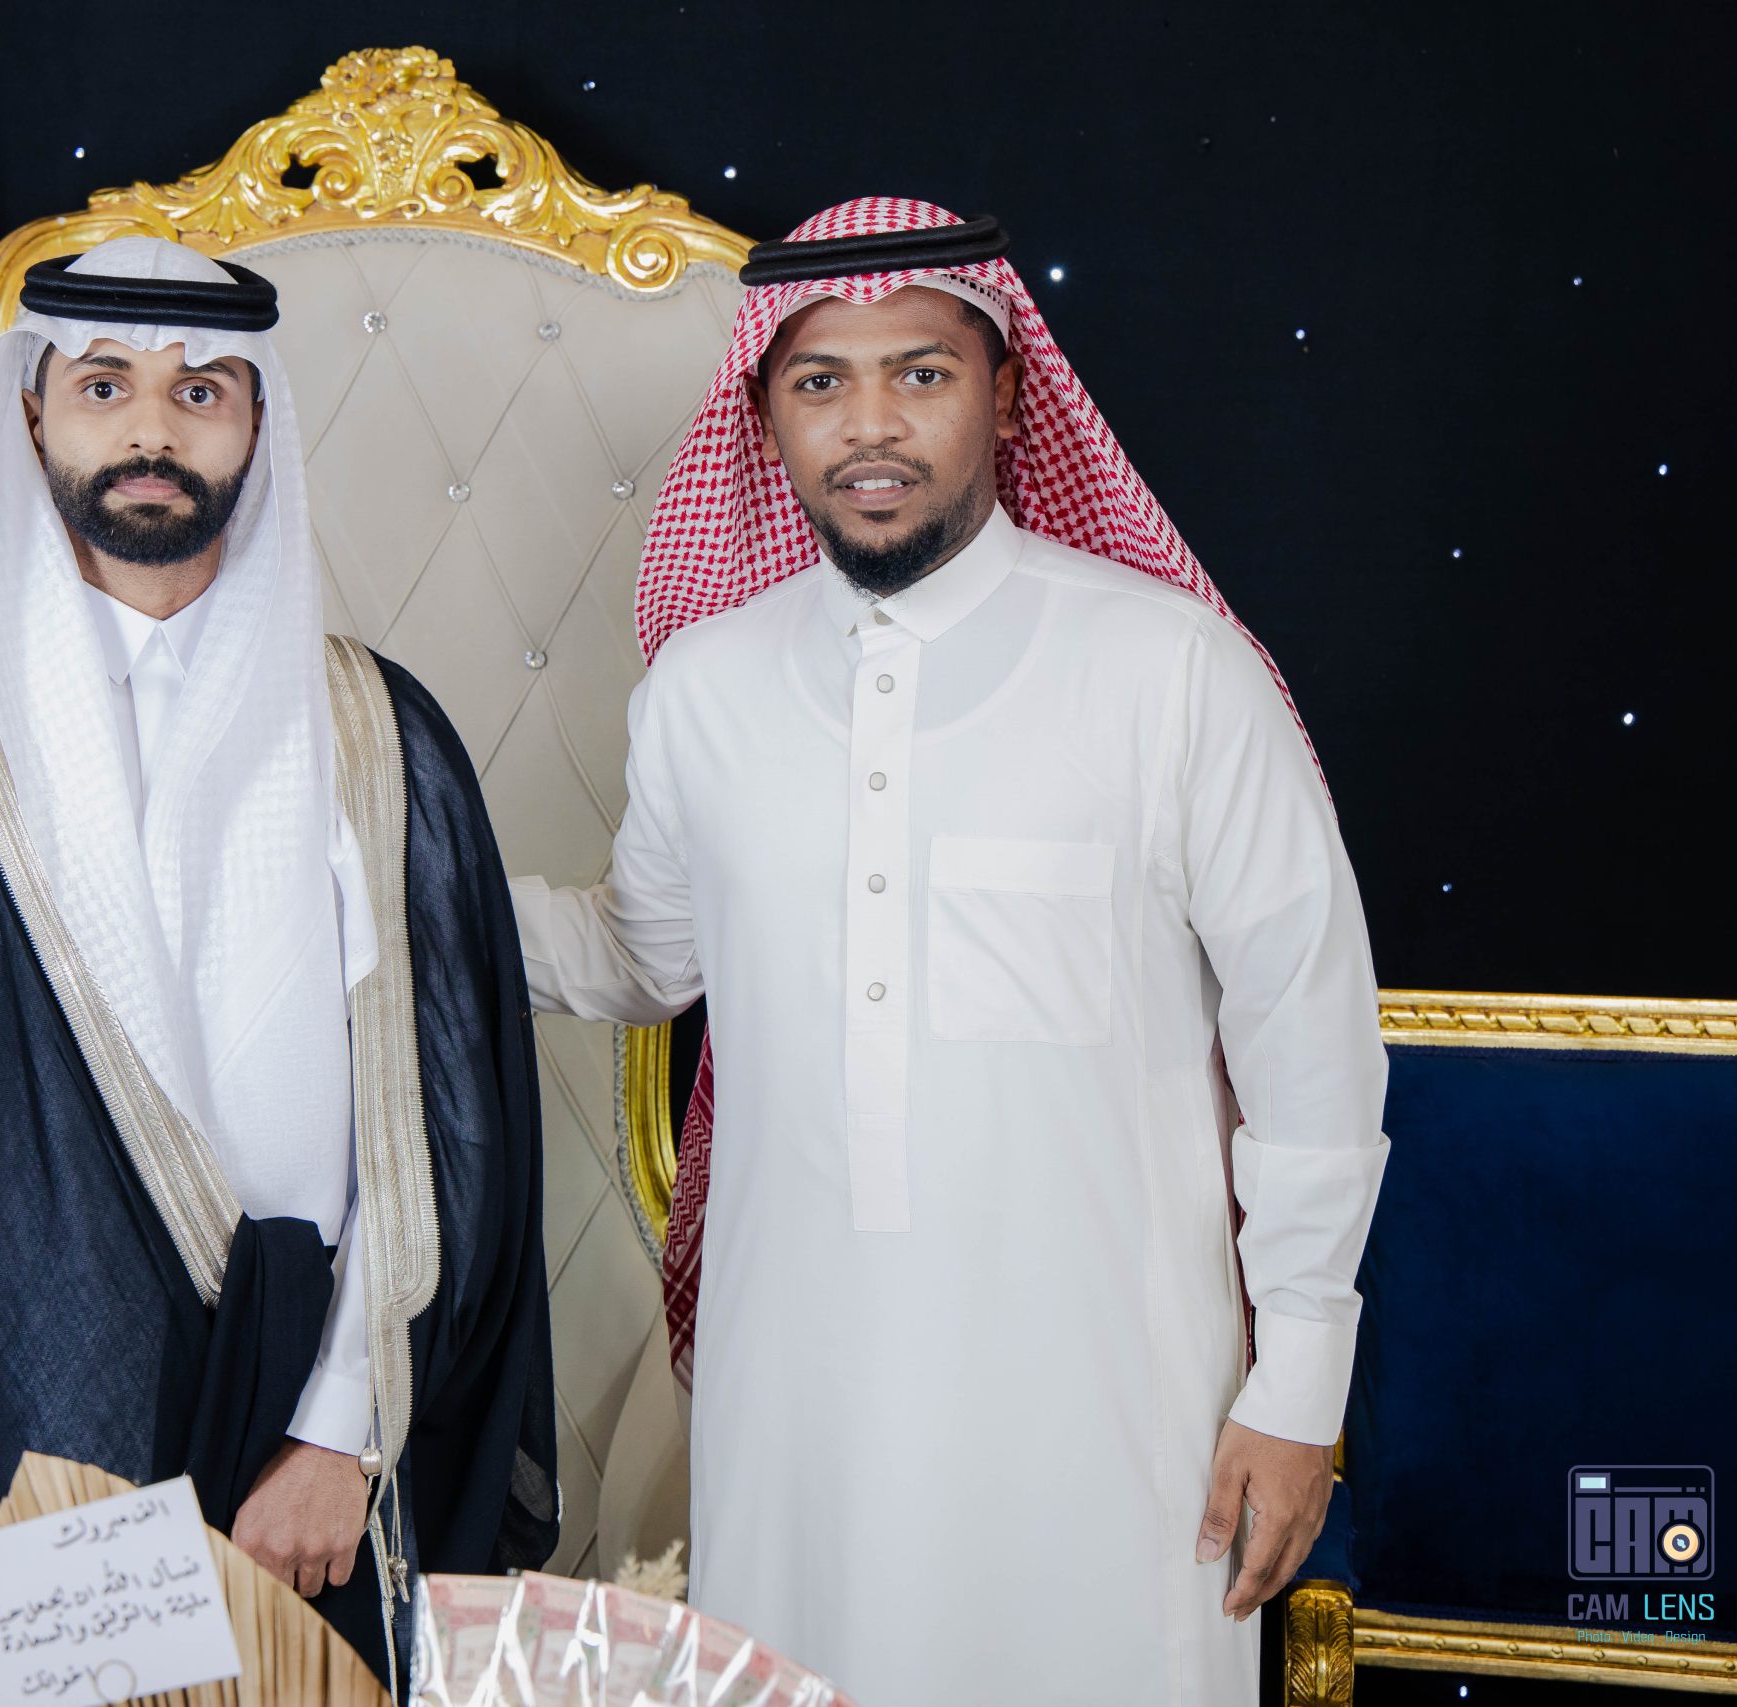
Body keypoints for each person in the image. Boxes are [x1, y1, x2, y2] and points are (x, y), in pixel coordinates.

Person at [508, 198, 1391, 1704]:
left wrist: (1300, 1384)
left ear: (1007, 395)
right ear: (767, 418)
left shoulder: (1171, 671)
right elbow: (642, 959)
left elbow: (1310, 1039)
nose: (871, 426)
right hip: (798, 1417)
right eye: (820, 381)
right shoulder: (705, 690)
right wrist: (400, 877)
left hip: (1114, 1418)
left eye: (920, 374)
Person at [0, 237, 557, 1702]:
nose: (153, 429)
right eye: (105, 386)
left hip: (305, 1476)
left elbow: (449, 1125)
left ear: (259, 420)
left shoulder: (376, 731)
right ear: (34, 413)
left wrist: (342, 1430)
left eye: (201, 390)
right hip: (12, 1432)